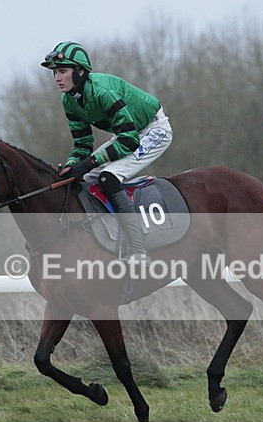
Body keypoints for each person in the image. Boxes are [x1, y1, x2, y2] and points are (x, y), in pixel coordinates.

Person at [41, 41, 173, 263]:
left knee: (107, 177)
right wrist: (73, 164)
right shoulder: (69, 100)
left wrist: (89, 162)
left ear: (80, 71)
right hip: (128, 133)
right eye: (55, 72)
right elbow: (82, 143)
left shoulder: (102, 92)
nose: (57, 78)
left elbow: (129, 141)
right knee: (82, 178)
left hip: (153, 130)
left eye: (62, 71)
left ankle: (139, 250)